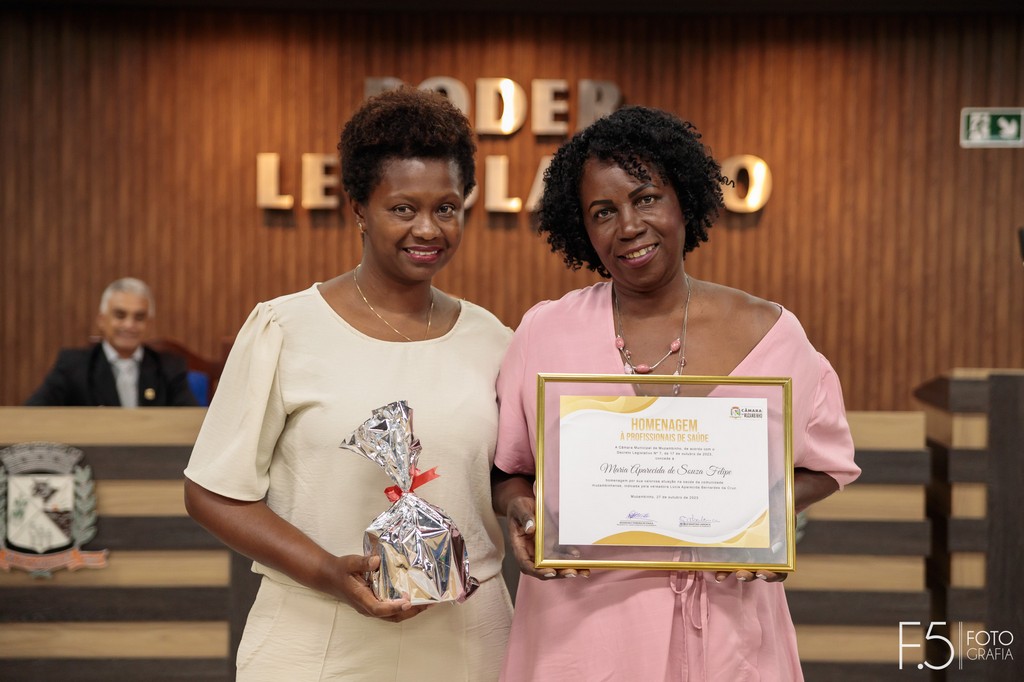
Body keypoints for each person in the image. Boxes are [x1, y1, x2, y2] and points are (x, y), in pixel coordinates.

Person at [491, 106, 862, 681]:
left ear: (684, 200)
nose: (628, 226)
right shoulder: (544, 332)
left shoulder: (771, 333)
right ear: (582, 229)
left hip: (728, 633)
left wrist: (760, 519)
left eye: (646, 199)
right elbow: (508, 472)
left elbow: (827, 465)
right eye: (603, 212)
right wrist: (522, 511)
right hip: (583, 633)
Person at [183, 87, 513, 681]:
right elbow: (213, 492)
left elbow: (503, 476)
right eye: (403, 209)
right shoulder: (285, 328)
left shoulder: (493, 340)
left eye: (446, 208)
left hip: (467, 639)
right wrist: (327, 572)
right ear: (358, 207)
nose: (428, 229)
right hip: (315, 633)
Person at [25, 277, 197, 407]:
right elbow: (33, 413)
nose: (129, 325)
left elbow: (190, 423)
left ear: (149, 324)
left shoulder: (170, 367)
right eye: (120, 316)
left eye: (139, 317)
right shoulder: (73, 366)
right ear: (101, 320)